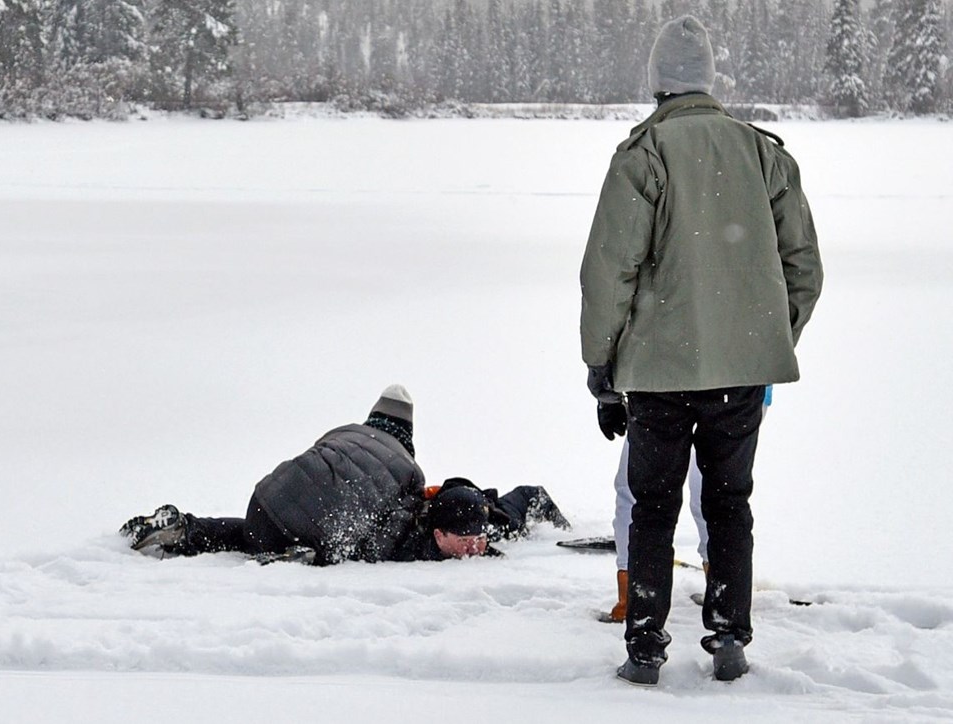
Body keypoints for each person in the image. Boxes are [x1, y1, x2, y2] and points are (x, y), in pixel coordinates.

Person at [580, 15, 822, 686]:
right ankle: (728, 639)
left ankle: (646, 647)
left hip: (658, 374)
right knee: (729, 500)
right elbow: (804, 268)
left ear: (657, 83)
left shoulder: (643, 155)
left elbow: (609, 272)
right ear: (708, 81)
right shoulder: (763, 153)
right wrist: (764, 335)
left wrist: (602, 367)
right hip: (740, 375)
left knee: (653, 503)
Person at [120, 385, 569, 564]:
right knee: (328, 532)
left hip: (264, 500)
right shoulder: (409, 482)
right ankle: (301, 554)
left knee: (258, 532)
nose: (474, 546)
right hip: (301, 532)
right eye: (466, 540)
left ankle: (186, 529)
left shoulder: (352, 433)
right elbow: (375, 537)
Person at [601, 388, 773, 623]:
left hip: (662, 384)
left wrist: (606, 389)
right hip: (738, 383)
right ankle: (725, 599)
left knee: (641, 493)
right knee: (720, 493)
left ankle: (633, 598)